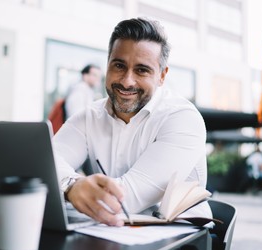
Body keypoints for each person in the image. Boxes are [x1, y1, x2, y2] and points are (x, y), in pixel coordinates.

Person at [53, 18, 211, 227]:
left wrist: (68, 189)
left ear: (162, 76)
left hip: (177, 241)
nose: (127, 81)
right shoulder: (89, 116)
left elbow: (126, 199)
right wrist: (71, 186)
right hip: (103, 233)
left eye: (142, 70)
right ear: (107, 65)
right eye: (119, 65)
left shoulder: (183, 119)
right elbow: (43, 165)